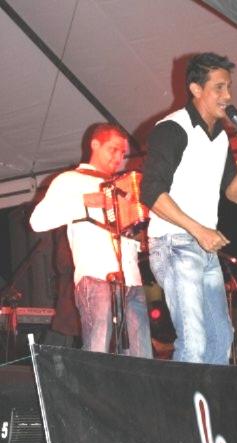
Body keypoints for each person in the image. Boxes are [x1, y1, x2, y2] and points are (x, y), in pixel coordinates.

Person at [141, 52, 237, 364]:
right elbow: (151, 192)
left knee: (221, 338)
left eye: (229, 87)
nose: (228, 96)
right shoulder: (172, 129)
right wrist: (198, 230)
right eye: (219, 87)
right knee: (193, 341)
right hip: (174, 243)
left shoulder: (220, 137)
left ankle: (211, 396)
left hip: (204, 247)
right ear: (196, 89)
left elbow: (235, 195)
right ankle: (186, 398)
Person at [30, 123, 152, 358]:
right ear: (95, 144)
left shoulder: (123, 185)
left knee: (142, 357)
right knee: (97, 352)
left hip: (132, 281)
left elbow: (131, 238)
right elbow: (37, 221)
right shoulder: (70, 180)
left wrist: (141, 237)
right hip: (95, 278)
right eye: (113, 149)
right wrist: (85, 201)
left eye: (123, 153)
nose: (119, 158)